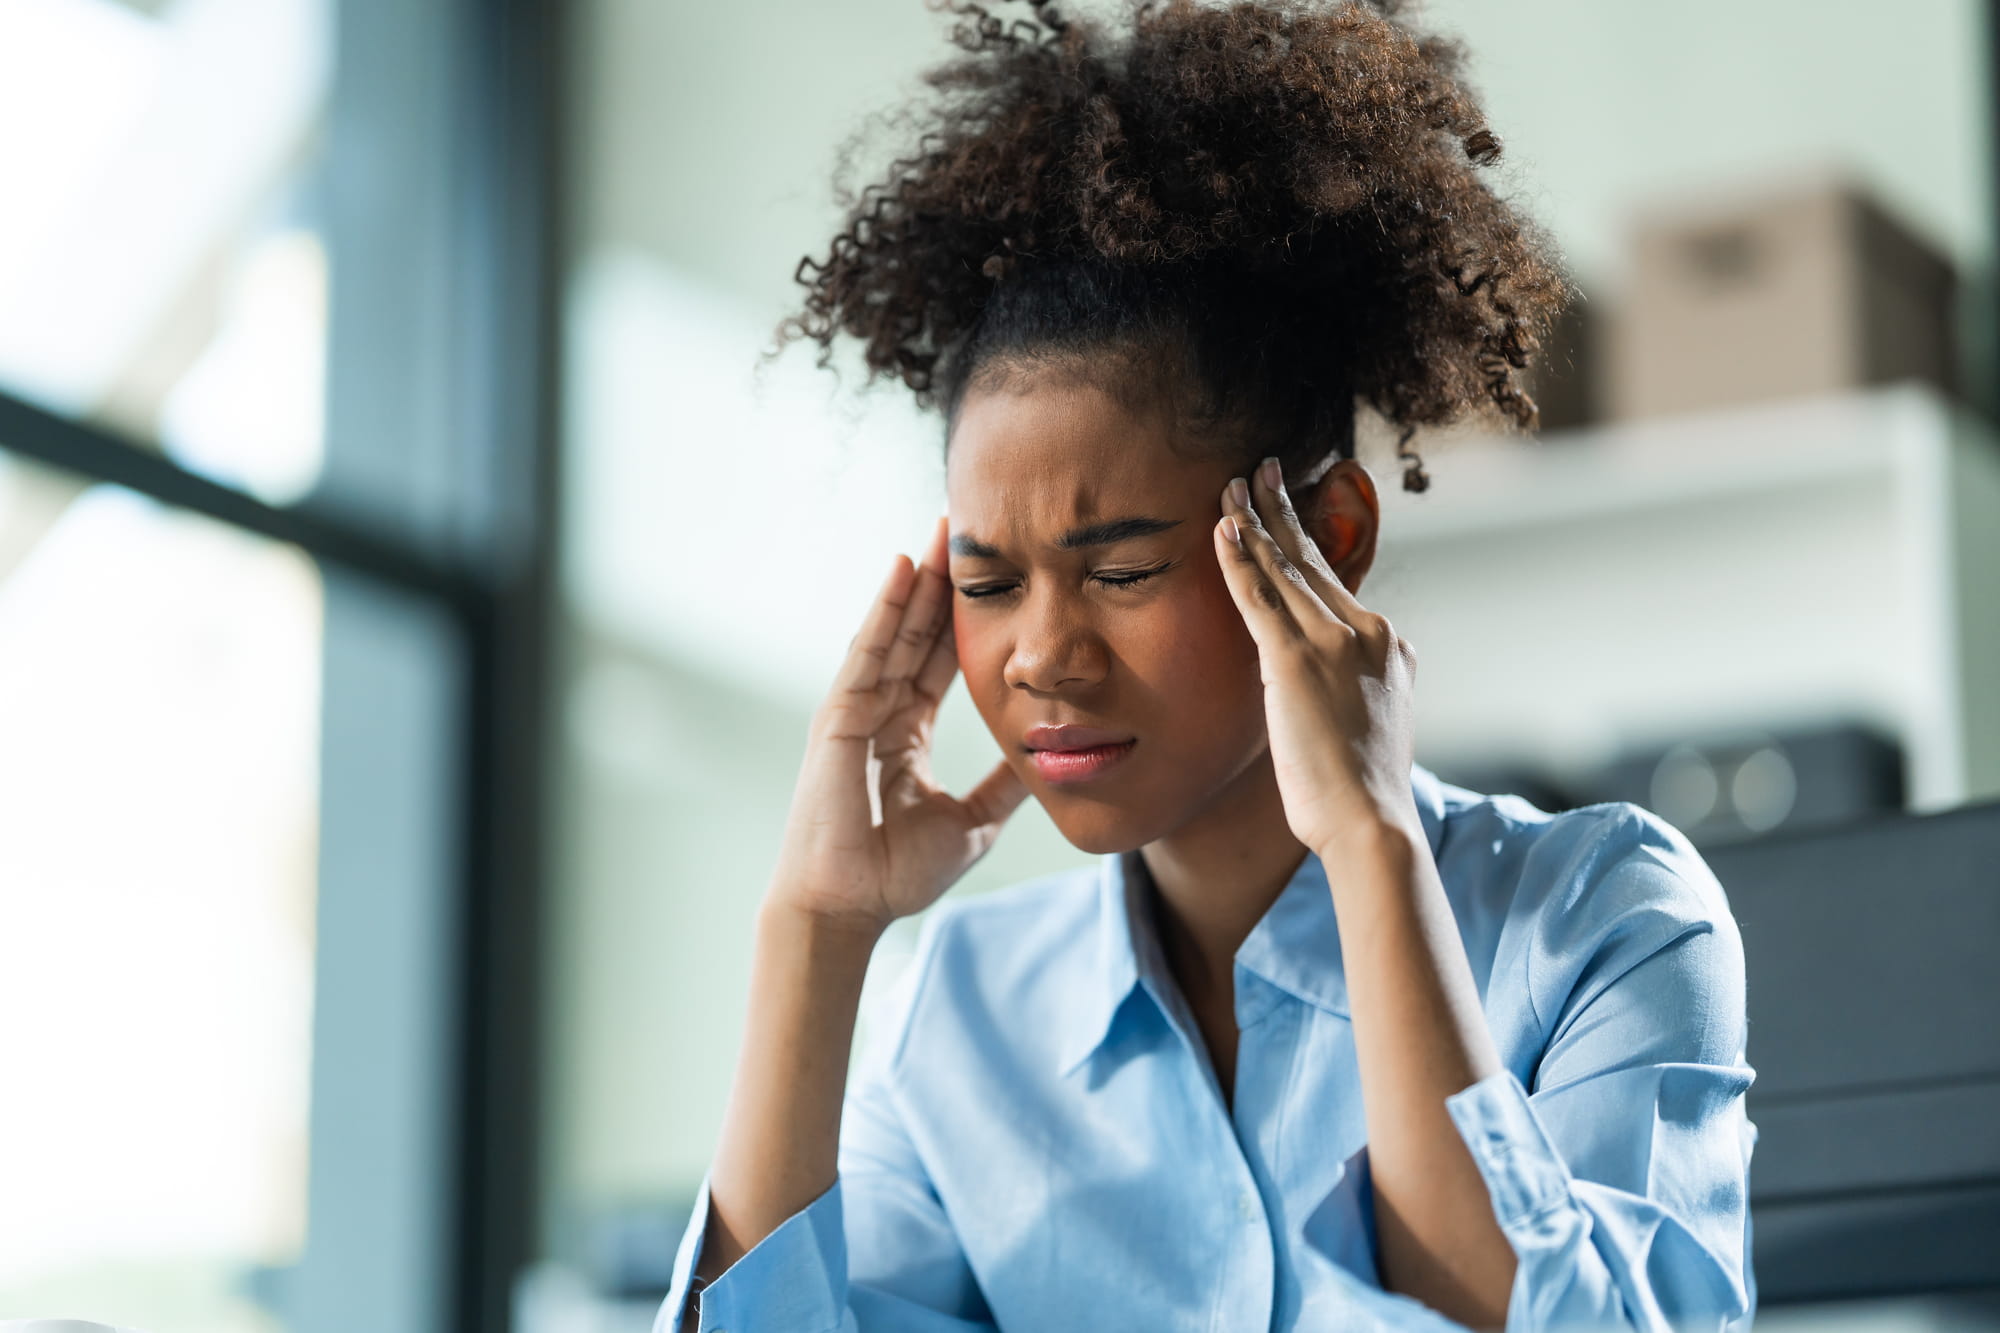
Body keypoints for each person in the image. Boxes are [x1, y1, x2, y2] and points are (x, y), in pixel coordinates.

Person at [657, 1, 1756, 1329]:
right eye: (988, 582)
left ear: (1326, 537)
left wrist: (1371, 846)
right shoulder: (951, 1010)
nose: (1043, 656)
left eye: (1119, 569)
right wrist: (814, 933)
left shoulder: (1600, 919)